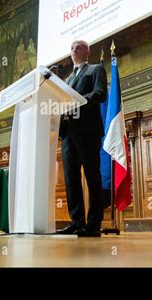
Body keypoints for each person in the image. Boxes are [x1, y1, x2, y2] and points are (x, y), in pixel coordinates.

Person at [57, 40, 107, 237]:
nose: (74, 50)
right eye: (71, 48)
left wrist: (77, 102)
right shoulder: (67, 80)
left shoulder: (96, 70)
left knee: (92, 177)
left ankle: (93, 224)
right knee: (71, 179)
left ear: (88, 51)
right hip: (69, 134)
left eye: (78, 47)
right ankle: (76, 222)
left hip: (88, 132)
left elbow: (100, 94)